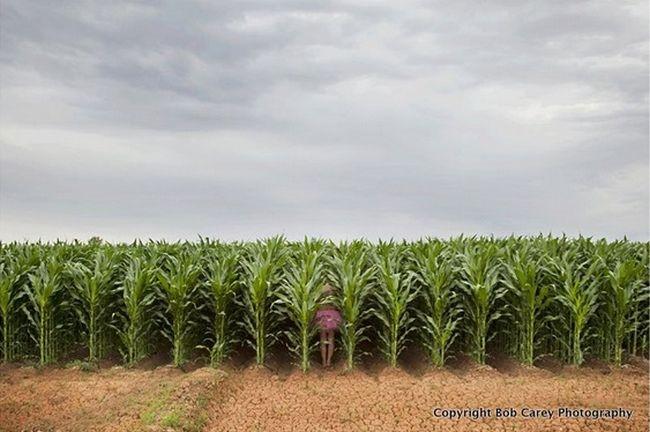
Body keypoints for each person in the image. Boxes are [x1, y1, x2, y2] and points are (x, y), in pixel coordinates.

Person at [315, 283, 341, 368]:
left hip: (322, 316)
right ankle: (328, 361)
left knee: (323, 340)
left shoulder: (320, 288)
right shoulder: (333, 288)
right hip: (332, 316)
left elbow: (316, 305)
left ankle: (324, 362)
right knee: (331, 339)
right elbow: (338, 305)